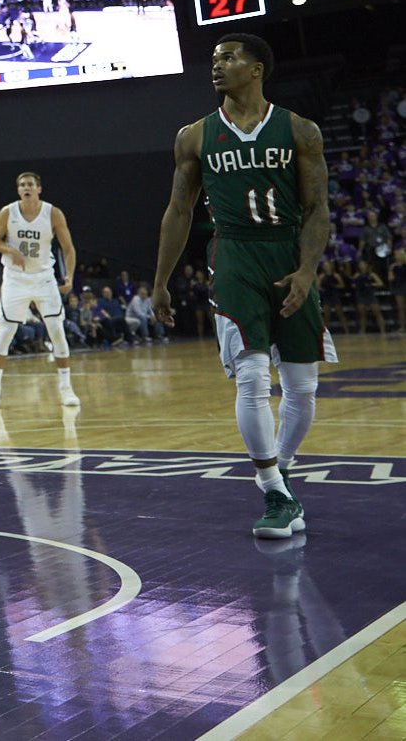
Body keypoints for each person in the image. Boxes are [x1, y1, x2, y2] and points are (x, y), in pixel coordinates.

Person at [151, 33, 335, 539]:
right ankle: (272, 488)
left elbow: (318, 210)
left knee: (302, 386)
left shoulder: (300, 130)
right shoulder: (194, 136)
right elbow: (179, 210)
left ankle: (284, 470)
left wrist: (306, 270)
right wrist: (161, 280)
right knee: (252, 377)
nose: (217, 66)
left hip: (288, 251)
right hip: (232, 255)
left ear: (256, 69)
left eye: (228, 58)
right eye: (213, 59)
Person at [0, 172, 79, 410]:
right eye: (22, 185)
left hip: (44, 278)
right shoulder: (8, 212)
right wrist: (10, 250)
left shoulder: (52, 213)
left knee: (57, 331)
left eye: (30, 185)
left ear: (39, 189)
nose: (26, 188)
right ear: (18, 190)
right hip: (15, 279)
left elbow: (68, 248)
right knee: (5, 333)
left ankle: (66, 389)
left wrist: (69, 276)